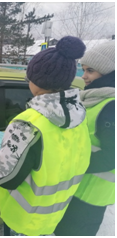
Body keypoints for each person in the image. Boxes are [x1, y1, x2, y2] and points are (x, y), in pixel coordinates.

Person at [0, 36, 92, 236]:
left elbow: (4, 177)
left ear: (36, 80)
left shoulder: (27, 124)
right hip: (53, 215)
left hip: (22, 219)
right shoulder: (79, 115)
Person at [54, 41, 115, 236]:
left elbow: (111, 157)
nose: (84, 76)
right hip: (75, 189)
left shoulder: (111, 107)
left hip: (90, 198)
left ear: (108, 73)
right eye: (83, 70)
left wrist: (69, 162)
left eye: (90, 71)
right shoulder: (92, 99)